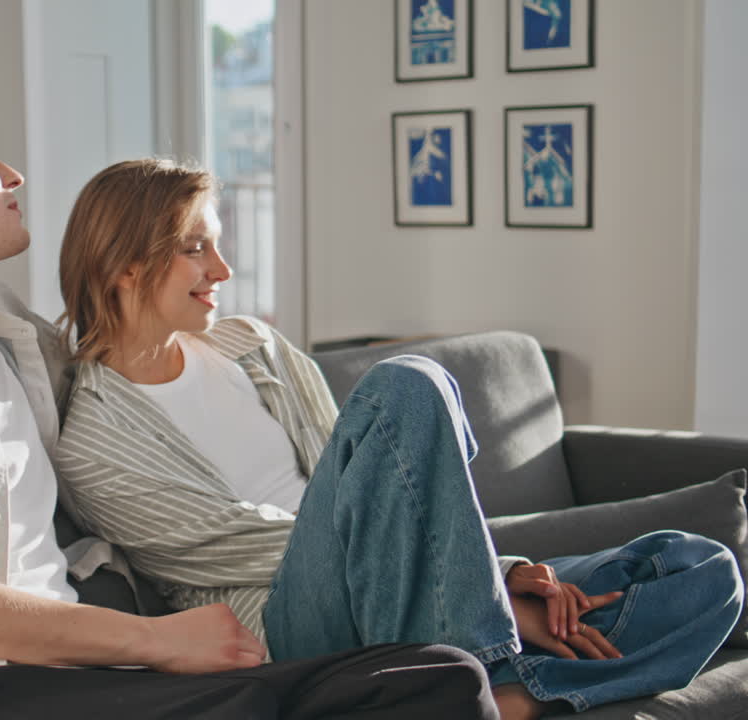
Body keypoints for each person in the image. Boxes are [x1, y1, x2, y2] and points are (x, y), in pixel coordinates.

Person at [0, 80, 500, 720]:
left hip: (95, 681)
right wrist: (155, 640)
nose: (13, 176)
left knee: (442, 679)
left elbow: (129, 337)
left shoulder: (21, 348)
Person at [54, 157, 745, 720]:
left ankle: (511, 695)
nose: (223, 271)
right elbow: (235, 549)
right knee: (407, 382)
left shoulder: (251, 346)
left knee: (703, 568)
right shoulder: (93, 439)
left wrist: (493, 570)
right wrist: (500, 580)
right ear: (127, 266)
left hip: (402, 582)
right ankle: (477, 649)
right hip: (289, 619)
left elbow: (377, 490)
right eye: (196, 248)